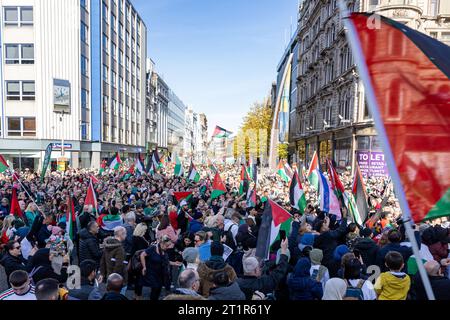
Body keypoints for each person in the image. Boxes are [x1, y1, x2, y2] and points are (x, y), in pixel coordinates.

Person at [139, 234, 173, 300]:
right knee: (155, 288)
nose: (168, 247)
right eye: (167, 245)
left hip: (160, 274)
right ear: (162, 243)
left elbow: (165, 261)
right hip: (151, 272)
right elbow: (142, 255)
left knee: (158, 290)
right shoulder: (153, 248)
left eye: (168, 246)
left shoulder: (164, 251)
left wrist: (174, 263)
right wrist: (144, 267)